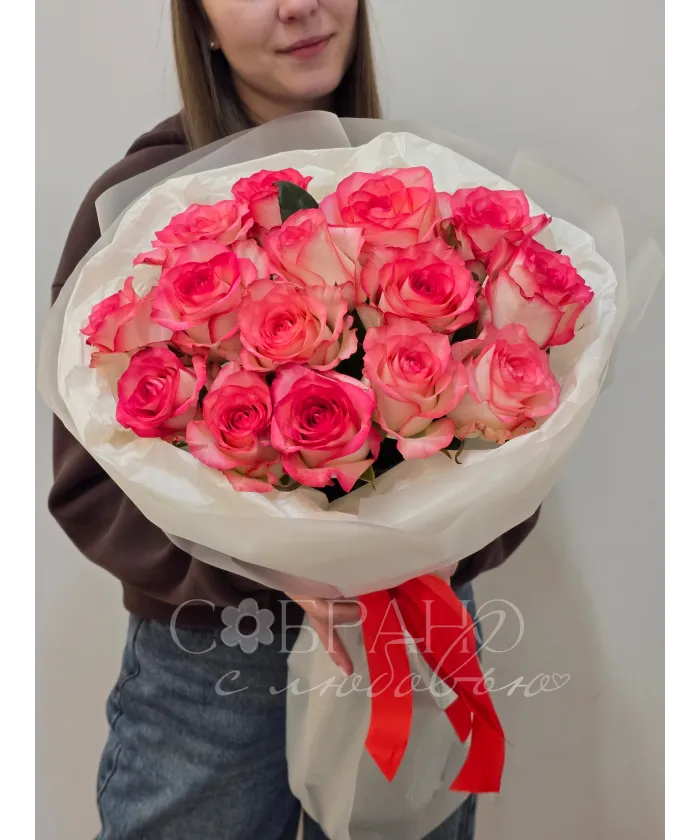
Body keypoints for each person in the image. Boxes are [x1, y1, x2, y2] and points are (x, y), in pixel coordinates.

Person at [48, 1, 539, 838]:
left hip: (413, 641)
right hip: (216, 666)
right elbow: (89, 487)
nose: (298, 5)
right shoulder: (147, 203)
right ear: (200, 22)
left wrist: (430, 546)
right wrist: (263, 569)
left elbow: (524, 423)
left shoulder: (428, 191)